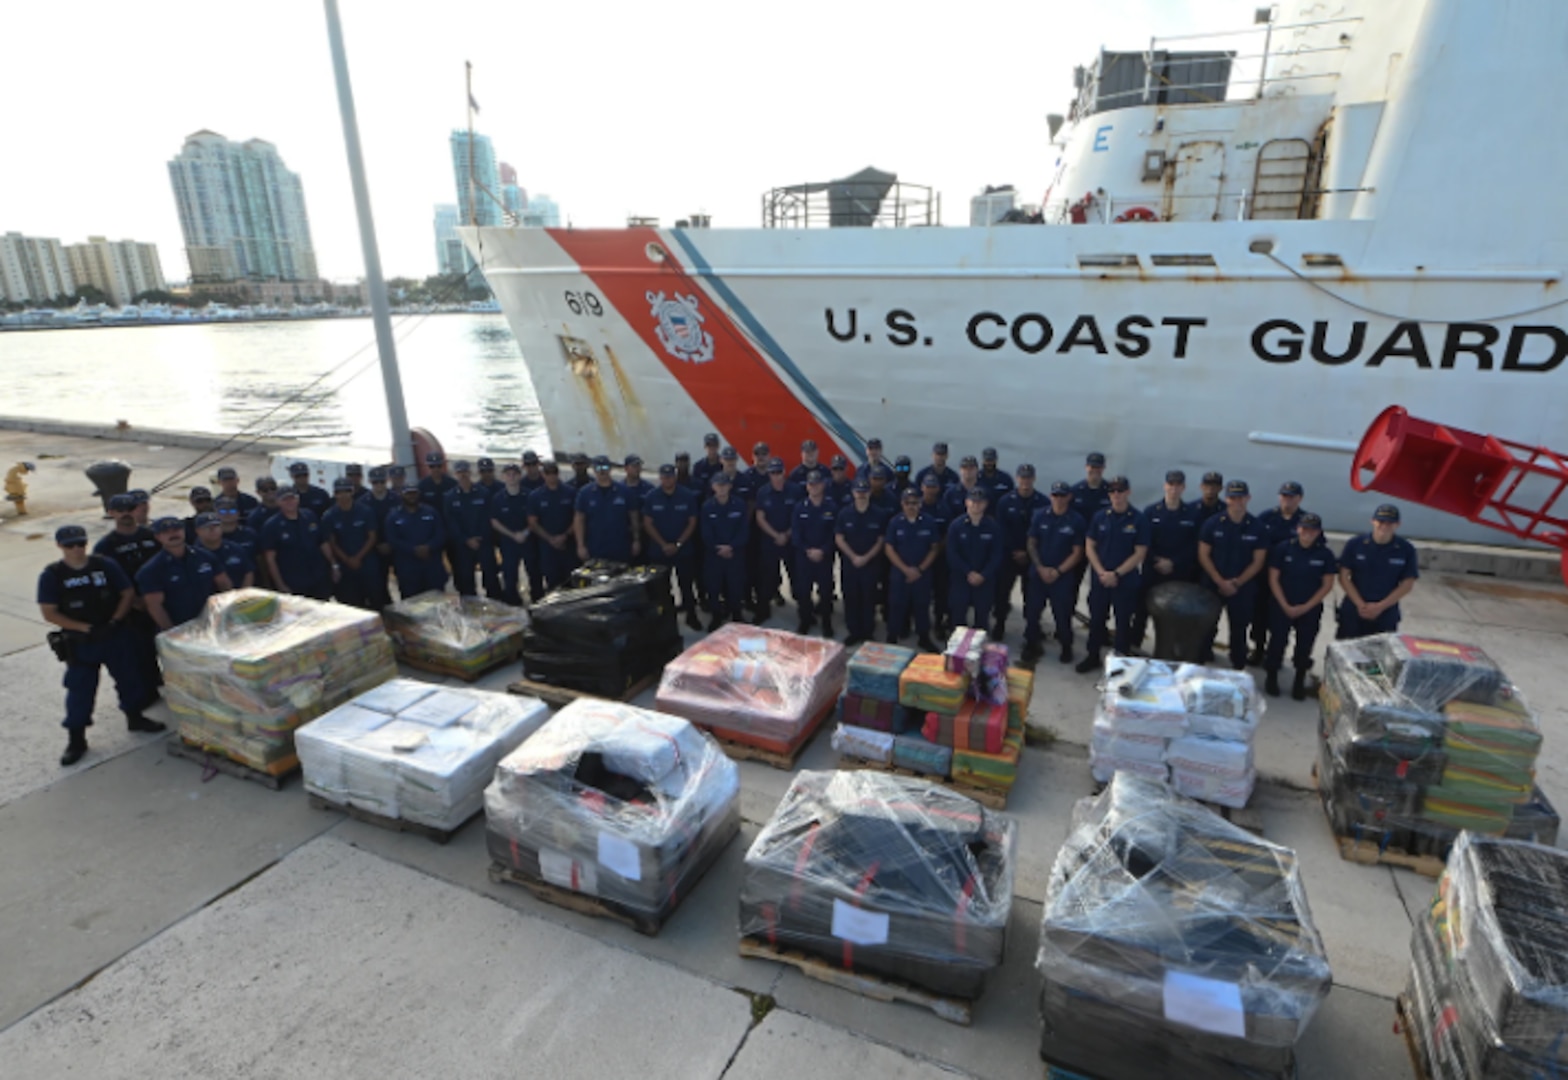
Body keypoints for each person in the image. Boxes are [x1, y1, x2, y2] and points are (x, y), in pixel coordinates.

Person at [38, 524, 160, 767]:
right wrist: (82, 628)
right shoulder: (52, 575)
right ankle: (77, 738)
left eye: (80, 544)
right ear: (60, 546)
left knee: (130, 679)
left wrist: (115, 621)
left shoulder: (104, 565)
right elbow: (49, 612)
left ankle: (134, 717)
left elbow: (126, 592)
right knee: (80, 691)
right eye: (70, 545)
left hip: (114, 634)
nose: (76, 549)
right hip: (82, 641)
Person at [1075, 477, 1150, 672]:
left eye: (1121, 491)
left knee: (1123, 622)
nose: (1117, 495)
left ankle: (1120, 663)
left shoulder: (1138, 519)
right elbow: (1090, 545)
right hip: (1100, 579)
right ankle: (1093, 656)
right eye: (1113, 491)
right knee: (1097, 619)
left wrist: (1116, 573)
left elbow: (1140, 552)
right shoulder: (1100, 516)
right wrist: (1101, 571)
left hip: (1125, 581)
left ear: (1128, 492)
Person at [94, 493, 163, 701]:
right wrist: (132, 601)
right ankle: (149, 693)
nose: (126, 514)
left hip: (160, 602)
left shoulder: (152, 536)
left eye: (130, 509)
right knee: (141, 654)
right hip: (133, 609)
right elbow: (104, 582)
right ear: (111, 513)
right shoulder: (105, 546)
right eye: (120, 510)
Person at [1197, 480, 1270, 670]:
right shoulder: (1212, 524)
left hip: (1242, 588)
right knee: (1207, 625)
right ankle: (1202, 660)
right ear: (1227, 499)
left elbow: (1258, 561)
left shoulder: (1257, 527)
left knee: (1239, 629)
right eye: (1233, 497)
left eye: (1241, 497)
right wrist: (1219, 580)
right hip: (1213, 584)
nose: (1237, 501)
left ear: (1248, 498)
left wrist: (1236, 583)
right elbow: (1203, 554)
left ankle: (1238, 666)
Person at [1266, 511, 1337, 699]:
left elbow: (1328, 584)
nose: (1308, 533)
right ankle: (1271, 678)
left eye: (1312, 530)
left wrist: (1306, 607)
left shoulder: (1325, 554)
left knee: (1304, 646)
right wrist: (1285, 604)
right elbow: (1273, 578)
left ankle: (1299, 681)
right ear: (1298, 529)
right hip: (1282, 604)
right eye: (1304, 529)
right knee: (1277, 642)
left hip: (1310, 608)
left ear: (1318, 532)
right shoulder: (1283, 548)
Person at [1132, 469, 1201, 648]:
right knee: (1141, 611)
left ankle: (1170, 651)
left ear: (1183, 488)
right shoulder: (1151, 511)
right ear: (1165, 486)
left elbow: (1193, 546)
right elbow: (1144, 542)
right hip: (1152, 571)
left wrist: (1173, 562)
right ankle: (1133, 647)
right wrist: (1157, 561)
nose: (1174, 489)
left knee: (1175, 616)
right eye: (1171, 484)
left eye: (1178, 485)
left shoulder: (1192, 514)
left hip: (1178, 573)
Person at [1023, 481, 1087, 664]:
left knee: (1062, 615)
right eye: (1055, 495)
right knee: (1032, 612)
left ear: (1069, 497)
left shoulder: (1076, 520)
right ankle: (1031, 644)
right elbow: (1031, 543)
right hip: (1038, 574)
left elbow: (1077, 552)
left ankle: (1066, 646)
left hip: (1062, 577)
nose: (1058, 499)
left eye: (1062, 496)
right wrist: (1040, 567)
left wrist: (1058, 571)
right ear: (1051, 496)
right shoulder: (1040, 515)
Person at [1337, 503, 1420, 639]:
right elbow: (1343, 577)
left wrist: (1380, 607)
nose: (1385, 526)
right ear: (1373, 521)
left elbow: (1407, 584)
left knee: (1379, 658)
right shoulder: (1355, 544)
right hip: (1354, 609)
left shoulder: (1406, 549)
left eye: (1390, 523)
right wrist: (1360, 604)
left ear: (1397, 524)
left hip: (1385, 613)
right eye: (1381, 521)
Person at [137, 516, 233, 631]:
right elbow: (155, 607)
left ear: (184, 531)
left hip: (213, 623)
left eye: (176, 530)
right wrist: (172, 633)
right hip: (181, 628)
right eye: (166, 532)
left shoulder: (206, 557)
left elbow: (225, 586)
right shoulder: (152, 569)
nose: (173, 534)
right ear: (158, 537)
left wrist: (229, 616)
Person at [1251, 481, 1308, 666]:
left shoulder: (1306, 521)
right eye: (1284, 496)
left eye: (1292, 497)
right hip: (1263, 577)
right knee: (1259, 616)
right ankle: (1258, 649)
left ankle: (1274, 655)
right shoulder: (1266, 517)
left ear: (1299, 499)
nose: (1287, 500)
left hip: (1290, 581)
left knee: (1281, 622)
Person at [642, 463, 703, 630]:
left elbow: (692, 522)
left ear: (675, 477)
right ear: (660, 477)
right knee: (662, 588)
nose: (667, 479)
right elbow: (647, 523)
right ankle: (667, 620)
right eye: (664, 476)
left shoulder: (687, 495)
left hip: (683, 550)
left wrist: (678, 544)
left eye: (670, 476)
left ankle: (691, 616)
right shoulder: (651, 496)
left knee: (687, 585)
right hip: (659, 550)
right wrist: (663, 544)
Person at [994, 464, 1047, 641]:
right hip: (1009, 556)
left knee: (1032, 596)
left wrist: (1027, 552)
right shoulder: (1005, 501)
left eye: (1028, 478)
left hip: (1031, 557)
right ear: (1017, 479)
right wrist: (1015, 551)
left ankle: (1032, 628)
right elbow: (1001, 530)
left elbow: (1042, 533)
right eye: (1022, 478)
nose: (1025, 481)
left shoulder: (1042, 502)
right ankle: (999, 624)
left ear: (1034, 479)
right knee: (1002, 593)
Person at [885, 488, 941, 650]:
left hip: (922, 574)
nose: (911, 506)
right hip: (899, 573)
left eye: (915, 503)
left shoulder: (929, 521)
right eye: (907, 503)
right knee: (896, 605)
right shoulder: (895, 522)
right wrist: (905, 570)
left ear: (920, 504)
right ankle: (892, 636)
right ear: (902, 504)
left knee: (922, 606)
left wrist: (920, 570)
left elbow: (934, 548)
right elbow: (889, 548)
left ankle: (924, 637)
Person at [835, 478, 885, 646]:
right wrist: (853, 556)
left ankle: (868, 631)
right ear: (853, 493)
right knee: (851, 597)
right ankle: (854, 631)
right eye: (858, 492)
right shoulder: (844, 513)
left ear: (869, 493)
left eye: (864, 492)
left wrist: (866, 557)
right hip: (850, 563)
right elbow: (839, 538)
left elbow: (880, 540)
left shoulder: (878, 513)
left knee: (869, 598)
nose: (861, 495)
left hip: (870, 564)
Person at [260, 489, 334, 600]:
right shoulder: (271, 526)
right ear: (278, 502)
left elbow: (322, 543)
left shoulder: (309, 516)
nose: (290, 502)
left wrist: (334, 565)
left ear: (298, 499)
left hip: (318, 577)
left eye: (292, 498)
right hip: (294, 582)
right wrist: (280, 584)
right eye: (285, 499)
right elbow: (270, 559)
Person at [946, 488, 1003, 631]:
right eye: (973, 501)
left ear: (985, 504)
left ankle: (978, 648)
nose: (976, 505)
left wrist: (983, 575)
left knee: (982, 616)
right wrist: (968, 572)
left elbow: (996, 555)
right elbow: (952, 553)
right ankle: (958, 649)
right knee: (958, 616)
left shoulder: (993, 527)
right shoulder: (956, 526)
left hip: (985, 580)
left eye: (980, 502)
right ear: (966, 502)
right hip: (961, 578)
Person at [791, 469, 837, 637]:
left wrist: (823, 550)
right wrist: (808, 551)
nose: (814, 487)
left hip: (824, 558)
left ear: (823, 485)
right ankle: (805, 620)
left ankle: (826, 623)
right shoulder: (799, 507)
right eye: (811, 484)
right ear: (807, 486)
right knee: (803, 592)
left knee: (825, 593)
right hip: (804, 557)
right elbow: (796, 534)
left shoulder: (831, 507)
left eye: (817, 484)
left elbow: (834, 534)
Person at [701, 472, 749, 629]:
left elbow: (743, 530)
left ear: (730, 486)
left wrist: (731, 547)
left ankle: (737, 614)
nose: (722, 488)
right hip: (714, 555)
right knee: (713, 587)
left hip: (735, 554)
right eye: (718, 485)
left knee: (736, 585)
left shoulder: (740, 505)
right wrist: (718, 548)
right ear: (713, 486)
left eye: (725, 485)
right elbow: (706, 533)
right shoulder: (707, 507)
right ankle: (716, 616)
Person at [754, 458, 799, 623]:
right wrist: (776, 535)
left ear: (784, 472)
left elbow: (799, 516)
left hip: (791, 541)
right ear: (769, 474)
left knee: (797, 578)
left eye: (779, 472)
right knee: (766, 579)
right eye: (773, 473)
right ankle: (763, 611)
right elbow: (760, 517)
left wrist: (787, 534)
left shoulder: (795, 490)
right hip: (770, 542)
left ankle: (805, 613)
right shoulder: (763, 492)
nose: (776, 476)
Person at [322, 478, 379, 608]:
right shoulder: (329, 516)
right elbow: (332, 542)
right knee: (352, 603)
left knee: (376, 599)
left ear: (352, 492)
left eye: (347, 491)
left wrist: (358, 558)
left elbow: (372, 537)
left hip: (367, 563)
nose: (343, 495)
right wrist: (347, 560)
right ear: (335, 494)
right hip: (345, 566)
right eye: (339, 492)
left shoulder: (365, 511)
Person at [384, 484, 449, 597]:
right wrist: (413, 549)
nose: (411, 496)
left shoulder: (431, 512)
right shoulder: (393, 516)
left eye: (414, 493)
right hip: (407, 568)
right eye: (408, 493)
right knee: (411, 604)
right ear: (402, 495)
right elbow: (392, 539)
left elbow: (440, 534)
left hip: (432, 565)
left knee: (437, 601)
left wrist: (429, 547)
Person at [446, 461, 499, 597]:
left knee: (491, 579)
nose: (463, 475)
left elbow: (488, 519)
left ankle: (494, 609)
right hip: (463, 545)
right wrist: (465, 540)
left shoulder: (483, 493)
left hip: (483, 542)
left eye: (465, 472)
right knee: (466, 582)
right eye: (459, 473)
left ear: (470, 473)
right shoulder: (449, 497)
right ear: (455, 475)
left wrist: (480, 538)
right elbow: (451, 523)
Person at [575, 455, 639, 564]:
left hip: (620, 546)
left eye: (604, 468)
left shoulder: (624, 491)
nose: (602, 472)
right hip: (595, 546)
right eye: (598, 468)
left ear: (610, 469)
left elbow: (634, 518)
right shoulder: (585, 493)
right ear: (594, 470)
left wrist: (636, 540)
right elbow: (579, 520)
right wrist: (581, 545)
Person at [526, 461, 578, 591]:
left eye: (554, 472)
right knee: (552, 582)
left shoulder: (571, 492)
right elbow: (532, 522)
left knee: (571, 581)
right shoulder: (535, 496)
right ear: (543, 475)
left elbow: (578, 518)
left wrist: (565, 536)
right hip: (547, 547)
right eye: (548, 473)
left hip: (568, 544)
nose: (551, 476)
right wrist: (550, 539)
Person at [490, 463, 533, 607]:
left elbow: (536, 518)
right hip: (508, 542)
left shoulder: (529, 495)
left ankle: (537, 604)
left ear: (520, 476)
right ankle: (513, 606)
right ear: (503, 477)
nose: (511, 477)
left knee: (534, 573)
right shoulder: (498, 498)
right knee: (510, 576)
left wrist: (525, 532)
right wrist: (512, 535)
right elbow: (494, 521)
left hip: (528, 540)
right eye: (508, 474)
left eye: (514, 474)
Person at [363, 466, 399, 608]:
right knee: (379, 585)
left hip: (395, 546)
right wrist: (378, 544)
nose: (379, 485)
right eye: (375, 482)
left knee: (404, 581)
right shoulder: (364, 502)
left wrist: (391, 543)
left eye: (381, 482)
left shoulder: (396, 499)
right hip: (375, 549)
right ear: (370, 482)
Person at [193, 510, 255, 590]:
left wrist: (244, 594)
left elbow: (248, 572)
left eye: (216, 526)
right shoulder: (193, 555)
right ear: (198, 531)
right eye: (207, 527)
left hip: (238, 596)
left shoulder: (235, 548)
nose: (212, 530)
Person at [517, 451, 547, 600]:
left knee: (550, 570)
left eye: (533, 464)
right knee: (533, 571)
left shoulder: (546, 480)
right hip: (529, 535)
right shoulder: (520, 485)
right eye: (528, 465)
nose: (531, 468)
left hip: (547, 533)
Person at [214, 496, 261, 574]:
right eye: (223, 511)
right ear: (216, 514)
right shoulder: (212, 536)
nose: (228, 514)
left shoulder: (249, 534)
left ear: (238, 513)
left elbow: (260, 559)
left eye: (232, 511)